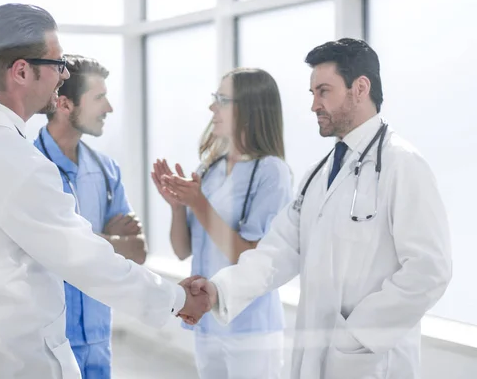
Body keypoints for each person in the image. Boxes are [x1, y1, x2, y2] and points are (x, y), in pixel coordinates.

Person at [0, 3, 209, 379]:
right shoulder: (19, 161)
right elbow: (88, 260)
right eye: (57, 63)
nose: (64, 74)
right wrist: (178, 299)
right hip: (23, 364)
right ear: (22, 71)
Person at [185, 38, 452, 379]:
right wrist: (219, 290)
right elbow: (277, 252)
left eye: (323, 91)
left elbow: (430, 270)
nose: (313, 105)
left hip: (369, 362)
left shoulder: (402, 164)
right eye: (312, 93)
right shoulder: (319, 173)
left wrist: (356, 336)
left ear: (360, 88)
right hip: (319, 357)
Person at [153, 67, 292, 379]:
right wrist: (178, 207)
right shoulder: (210, 168)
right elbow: (181, 250)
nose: (212, 108)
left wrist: (199, 203)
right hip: (206, 323)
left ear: (249, 109)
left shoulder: (272, 172)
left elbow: (251, 259)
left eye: (222, 100)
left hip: (251, 329)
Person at [33, 54, 146, 379]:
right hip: (46, 343)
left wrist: (87, 244)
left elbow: (138, 252)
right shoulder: (29, 167)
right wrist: (112, 241)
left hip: (97, 338)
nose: (109, 107)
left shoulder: (107, 170)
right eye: (99, 98)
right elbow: (47, 252)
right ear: (65, 104)